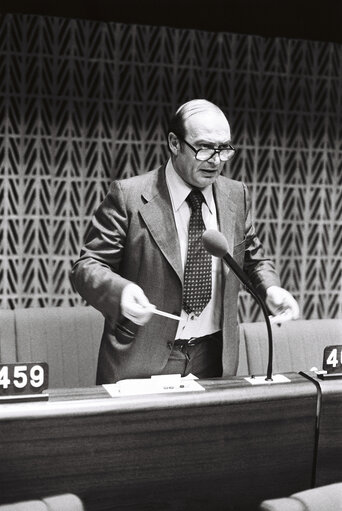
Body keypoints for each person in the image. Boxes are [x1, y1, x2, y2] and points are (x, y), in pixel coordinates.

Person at [71, 99, 299, 384]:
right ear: (174, 143)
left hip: (214, 357)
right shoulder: (128, 195)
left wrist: (271, 289)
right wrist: (121, 292)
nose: (215, 160)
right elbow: (87, 266)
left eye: (224, 149)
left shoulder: (236, 195)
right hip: (142, 357)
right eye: (203, 147)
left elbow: (251, 258)